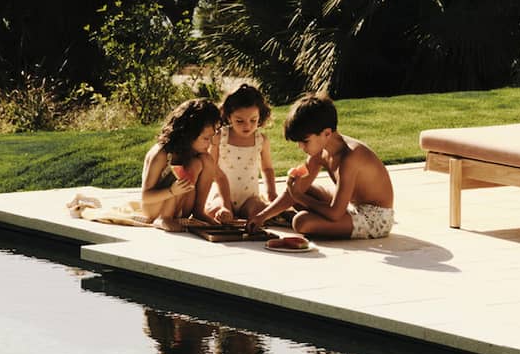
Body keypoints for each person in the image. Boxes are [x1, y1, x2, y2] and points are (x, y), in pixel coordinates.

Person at [267, 95, 394, 240]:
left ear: (326, 133)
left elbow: (335, 213)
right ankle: (290, 215)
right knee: (299, 187)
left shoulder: (350, 157)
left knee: (301, 222)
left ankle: (302, 218)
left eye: (305, 141)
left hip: (375, 219)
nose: (300, 146)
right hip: (349, 207)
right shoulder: (320, 152)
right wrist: (261, 216)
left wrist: (299, 197)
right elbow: (295, 192)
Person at [139, 97, 232, 224]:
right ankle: (164, 220)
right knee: (188, 167)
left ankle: (199, 212)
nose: (210, 143)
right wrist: (171, 191)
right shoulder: (161, 154)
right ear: (189, 134)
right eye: (205, 138)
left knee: (204, 161)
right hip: (155, 208)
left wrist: (226, 207)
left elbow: (221, 177)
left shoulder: (196, 153)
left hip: (181, 207)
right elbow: (145, 197)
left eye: (211, 138)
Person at [215, 84, 277, 222]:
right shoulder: (220, 137)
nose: (247, 126)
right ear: (229, 116)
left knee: (261, 212)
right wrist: (225, 205)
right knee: (215, 212)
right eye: (239, 121)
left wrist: (271, 194)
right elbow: (212, 169)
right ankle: (226, 210)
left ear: (260, 116)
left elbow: (267, 169)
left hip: (249, 198)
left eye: (253, 120)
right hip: (222, 196)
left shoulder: (261, 140)